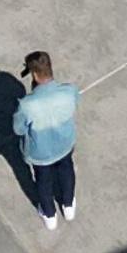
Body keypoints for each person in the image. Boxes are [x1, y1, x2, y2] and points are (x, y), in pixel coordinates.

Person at [10, 51, 78, 226]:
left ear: (34, 75)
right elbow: (74, 104)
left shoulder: (26, 105)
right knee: (67, 170)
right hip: (65, 144)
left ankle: (49, 215)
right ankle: (68, 205)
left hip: (40, 153)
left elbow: (18, 129)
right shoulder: (69, 91)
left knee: (43, 180)